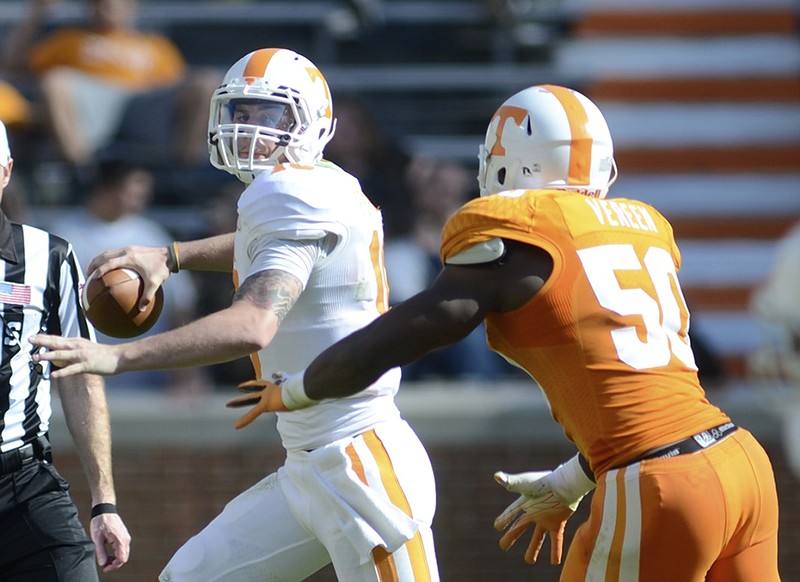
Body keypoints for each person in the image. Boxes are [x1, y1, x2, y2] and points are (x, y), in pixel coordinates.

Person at [211, 85, 780, 580]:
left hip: (661, 481)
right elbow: (643, 392)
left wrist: (300, 389)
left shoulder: (522, 229)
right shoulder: (644, 227)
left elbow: (415, 329)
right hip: (741, 463)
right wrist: (570, 481)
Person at [31, 47, 439, 581]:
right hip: (309, 467)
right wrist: (171, 256)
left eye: (267, 115)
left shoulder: (289, 192)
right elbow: (264, 246)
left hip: (363, 467)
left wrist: (115, 356)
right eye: (240, 114)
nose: (247, 129)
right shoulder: (324, 183)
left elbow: (252, 323)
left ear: (312, 123)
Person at [0, 120, 130, 579]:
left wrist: (104, 501)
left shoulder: (47, 257)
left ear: (6, 172)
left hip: (22, 482)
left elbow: (79, 376)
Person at [48, 157, 209, 396]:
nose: (143, 196)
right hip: (78, 380)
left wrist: (186, 372)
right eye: (135, 188)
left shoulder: (151, 235)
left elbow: (180, 306)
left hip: (146, 379)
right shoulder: (63, 235)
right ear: (107, 188)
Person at [2, 0, 217, 169]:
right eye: (98, 2)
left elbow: (178, 85)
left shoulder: (156, 45)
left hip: (144, 102)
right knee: (54, 81)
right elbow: (10, 63)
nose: (106, 6)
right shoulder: (69, 39)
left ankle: (184, 172)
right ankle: (80, 172)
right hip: (90, 101)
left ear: (133, 7)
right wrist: (37, 13)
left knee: (206, 82)